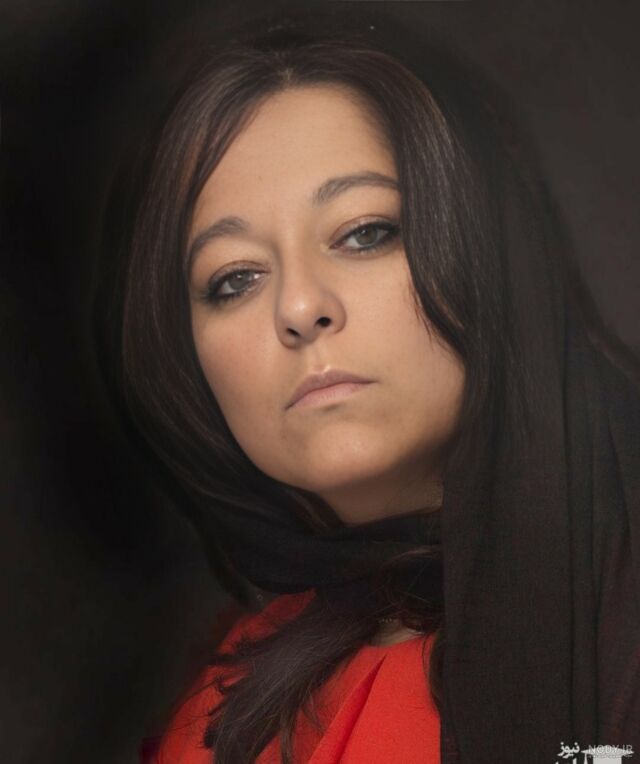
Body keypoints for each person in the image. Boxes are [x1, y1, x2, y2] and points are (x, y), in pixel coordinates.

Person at [95, 9, 640, 764]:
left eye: (365, 233)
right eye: (236, 278)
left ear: (488, 245)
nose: (299, 307)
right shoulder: (228, 710)